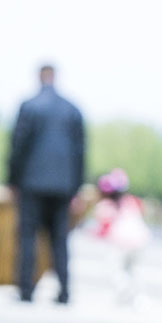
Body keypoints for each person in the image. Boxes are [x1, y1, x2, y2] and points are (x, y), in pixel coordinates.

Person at [7, 65, 85, 303]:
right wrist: (77, 188)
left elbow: (18, 146)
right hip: (63, 185)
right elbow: (80, 152)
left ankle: (26, 290)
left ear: (39, 78)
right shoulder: (72, 109)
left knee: (28, 236)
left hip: (32, 183)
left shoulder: (29, 106)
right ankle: (64, 291)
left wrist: (12, 181)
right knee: (60, 239)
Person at [91, 168, 150, 304]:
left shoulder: (105, 206)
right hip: (141, 240)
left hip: (121, 242)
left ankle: (124, 290)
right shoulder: (132, 201)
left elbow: (103, 229)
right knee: (136, 271)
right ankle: (140, 298)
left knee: (114, 270)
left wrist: (90, 233)